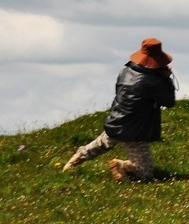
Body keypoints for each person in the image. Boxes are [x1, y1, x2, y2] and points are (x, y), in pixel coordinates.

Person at [62, 38, 177, 182]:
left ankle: (72, 162)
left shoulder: (125, 71)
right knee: (145, 173)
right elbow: (169, 102)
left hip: (117, 120)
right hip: (135, 130)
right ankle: (121, 165)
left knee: (102, 143)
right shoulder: (153, 81)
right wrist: (166, 80)